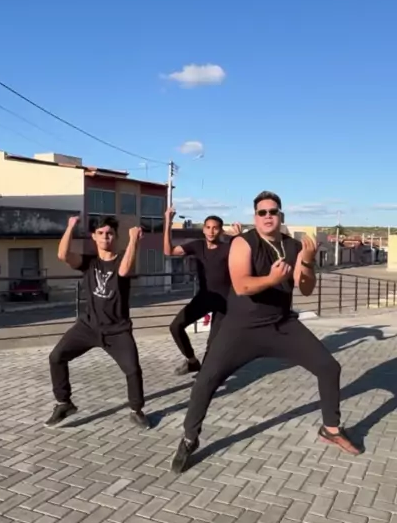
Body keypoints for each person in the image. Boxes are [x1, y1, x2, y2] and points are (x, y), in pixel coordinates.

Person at [171, 190, 361, 473]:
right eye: (262, 212)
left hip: (280, 325)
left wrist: (308, 261)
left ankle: (330, 429)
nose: (268, 216)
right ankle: (189, 438)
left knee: (329, 367)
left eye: (273, 211)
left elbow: (306, 289)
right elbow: (241, 285)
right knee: (205, 380)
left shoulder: (293, 246)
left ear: (280, 215)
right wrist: (272, 278)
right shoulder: (243, 242)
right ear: (255, 217)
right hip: (240, 328)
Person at [47, 214, 149, 429]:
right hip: (88, 327)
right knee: (56, 357)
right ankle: (64, 403)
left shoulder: (122, 259)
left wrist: (134, 240)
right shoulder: (89, 263)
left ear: (116, 237)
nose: (105, 237)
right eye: (100, 233)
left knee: (132, 370)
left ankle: (136, 410)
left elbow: (124, 270)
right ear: (94, 236)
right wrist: (70, 227)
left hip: (117, 330)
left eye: (109, 233)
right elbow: (63, 254)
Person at [164, 206, 241, 374]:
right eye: (208, 227)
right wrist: (168, 222)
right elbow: (169, 251)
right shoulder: (197, 246)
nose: (211, 231)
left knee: (212, 344)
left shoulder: (228, 248)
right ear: (204, 229)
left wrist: (238, 237)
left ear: (221, 230)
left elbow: (247, 255)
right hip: (204, 297)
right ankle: (192, 361)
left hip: (224, 303)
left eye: (215, 228)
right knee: (175, 327)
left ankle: (205, 376)